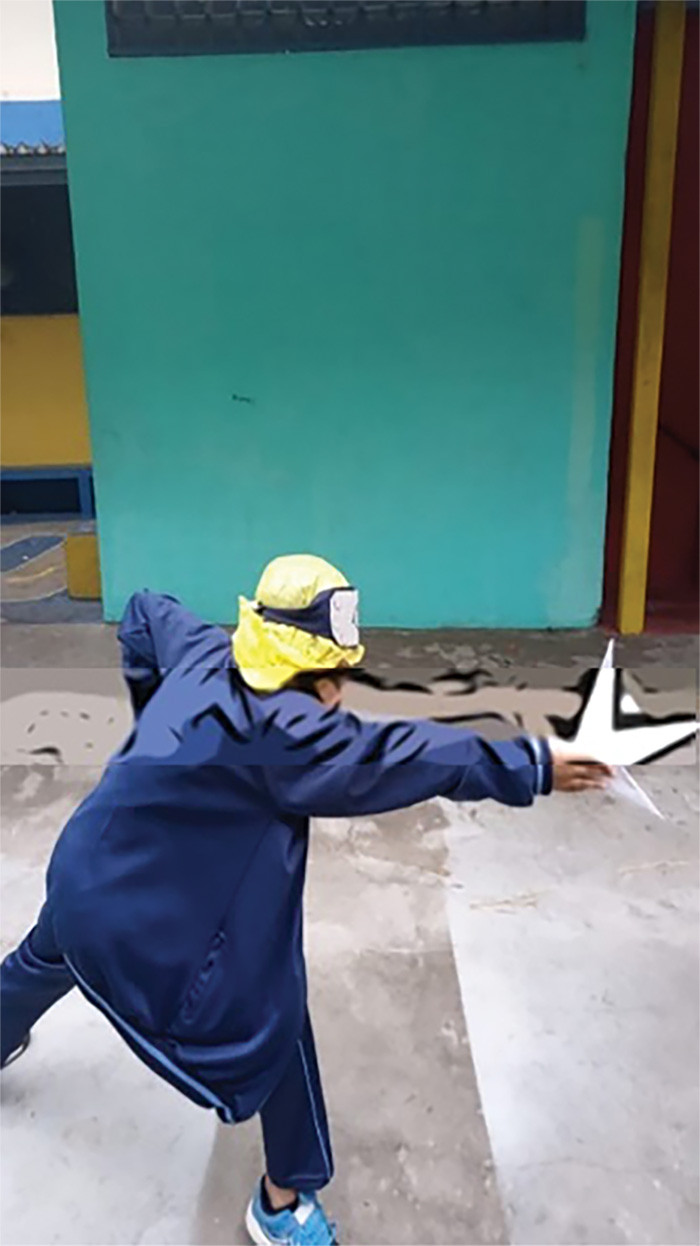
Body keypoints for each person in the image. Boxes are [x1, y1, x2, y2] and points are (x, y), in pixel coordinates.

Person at [0, 554, 610, 1246]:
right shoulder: (289, 739)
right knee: (276, 1018)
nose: (340, 692)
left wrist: (149, 714)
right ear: (317, 675)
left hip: (81, 873)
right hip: (134, 926)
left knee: (49, 951)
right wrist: (535, 765)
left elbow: (143, 610)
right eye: (337, 675)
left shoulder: (203, 653)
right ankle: (282, 1202)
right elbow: (414, 754)